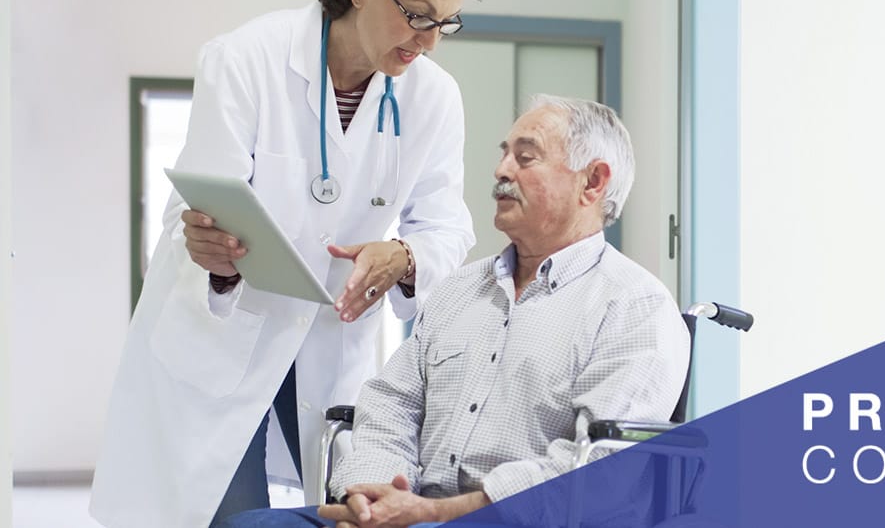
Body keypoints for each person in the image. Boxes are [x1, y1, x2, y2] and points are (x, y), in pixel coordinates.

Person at [89, 0, 481, 526]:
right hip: (223, 335)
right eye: (417, 16)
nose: (430, 41)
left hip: (330, 337)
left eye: (447, 23)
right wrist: (211, 255)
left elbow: (446, 225)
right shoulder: (246, 59)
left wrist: (405, 257)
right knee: (223, 516)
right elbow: (192, 214)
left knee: (341, 509)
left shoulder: (433, 98)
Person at [217, 95, 690, 528]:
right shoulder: (460, 290)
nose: (502, 170)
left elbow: (596, 472)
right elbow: (390, 405)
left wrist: (433, 512)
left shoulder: (635, 308)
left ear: (593, 181)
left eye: (525, 157)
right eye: (504, 154)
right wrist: (370, 498)